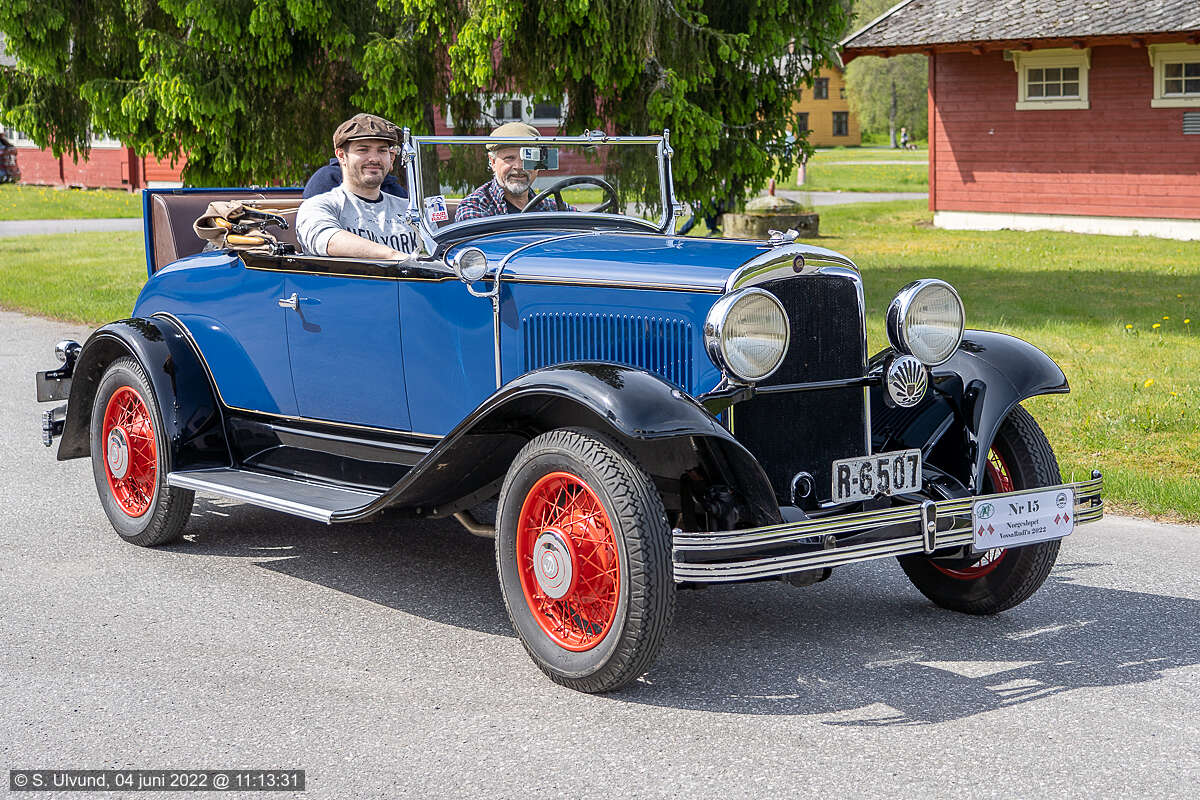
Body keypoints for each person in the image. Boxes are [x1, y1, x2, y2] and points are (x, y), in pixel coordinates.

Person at [297, 113, 418, 259]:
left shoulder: (410, 209)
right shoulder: (319, 206)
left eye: (382, 150)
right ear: (341, 156)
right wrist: (394, 256)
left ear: (391, 157)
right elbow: (327, 240)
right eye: (363, 150)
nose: (374, 158)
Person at [454, 122, 573, 221]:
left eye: (527, 158)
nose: (519, 166)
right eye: (509, 158)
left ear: (538, 164)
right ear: (493, 162)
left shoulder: (551, 208)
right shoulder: (476, 208)